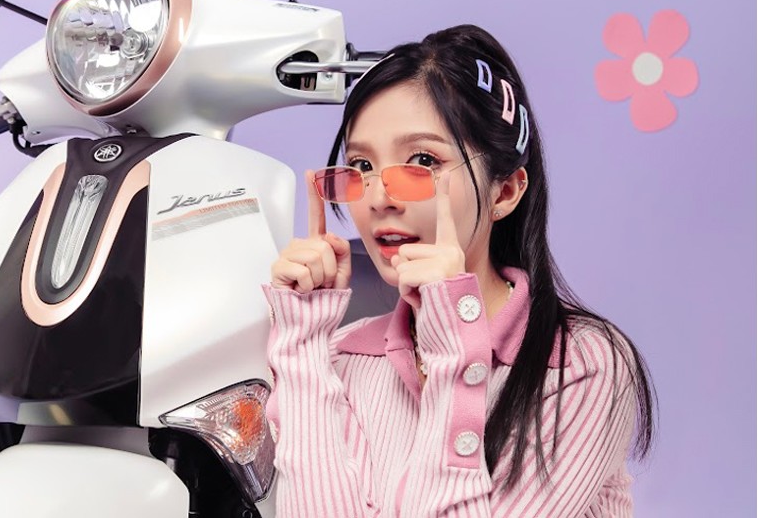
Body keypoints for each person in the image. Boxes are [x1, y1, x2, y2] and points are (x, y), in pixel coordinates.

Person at [265, 25, 655, 517]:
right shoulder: (342, 357)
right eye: (361, 165)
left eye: (422, 160)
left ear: (505, 192)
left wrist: (453, 344)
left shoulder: (581, 364)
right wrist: (303, 342)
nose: (379, 198)